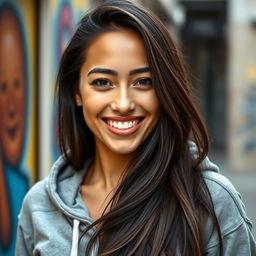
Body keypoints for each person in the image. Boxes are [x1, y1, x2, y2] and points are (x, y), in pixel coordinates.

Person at [15, 0, 256, 255]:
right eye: (103, 82)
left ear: (164, 89)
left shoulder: (211, 202)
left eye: (143, 81)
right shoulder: (40, 206)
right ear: (77, 91)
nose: (123, 104)